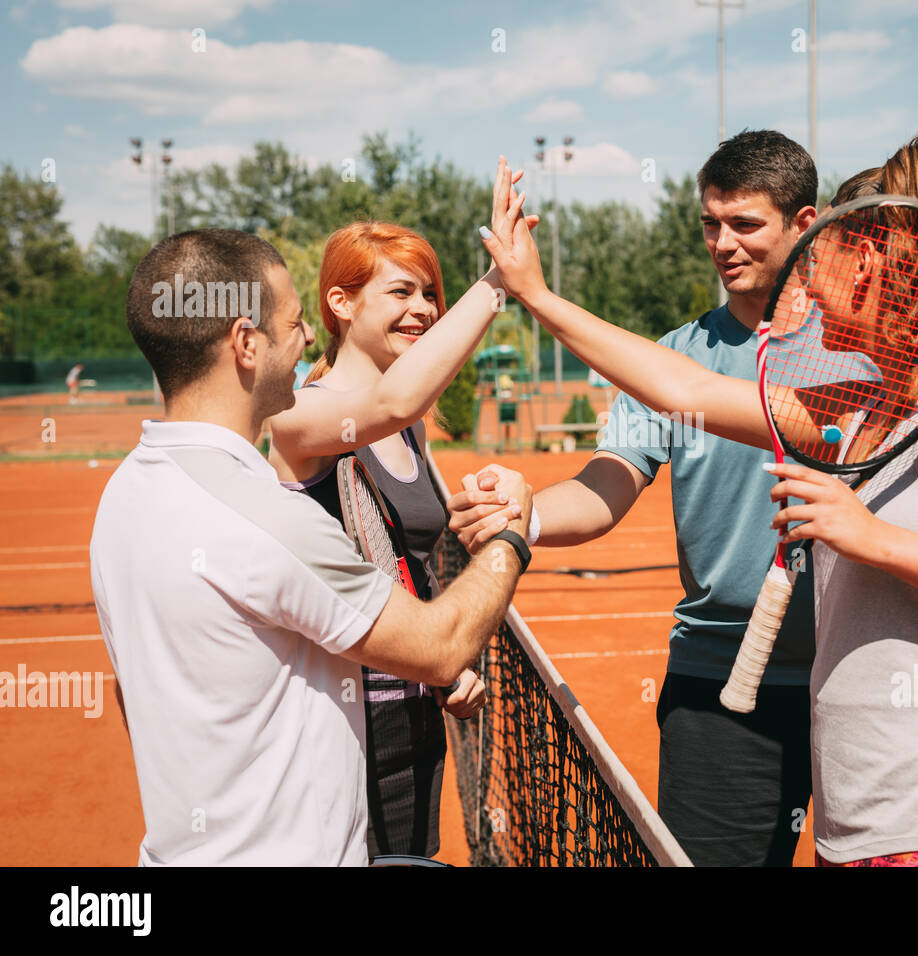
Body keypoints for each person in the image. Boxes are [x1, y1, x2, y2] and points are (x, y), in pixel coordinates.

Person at [476, 134, 918, 866]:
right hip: (865, 823)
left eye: (820, 252)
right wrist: (536, 297)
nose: (802, 273)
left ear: (867, 262)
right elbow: (685, 389)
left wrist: (870, 536)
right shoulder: (864, 407)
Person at [89, 226, 533, 866]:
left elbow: (133, 692)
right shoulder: (269, 519)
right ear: (245, 343)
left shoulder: (123, 496)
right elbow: (440, 647)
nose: (306, 338)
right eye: (295, 323)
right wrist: (513, 536)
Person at [450, 130, 820, 866]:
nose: (723, 243)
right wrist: (526, 514)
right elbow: (604, 489)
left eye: (745, 224)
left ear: (802, 225)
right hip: (719, 687)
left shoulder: (865, 347)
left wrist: (540, 297)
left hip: (853, 679)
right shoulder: (672, 357)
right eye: (710, 224)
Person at [266, 160, 538, 861]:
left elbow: (417, 557)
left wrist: (448, 661)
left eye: (430, 293)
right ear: (342, 302)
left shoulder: (413, 429)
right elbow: (392, 402)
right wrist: (499, 281)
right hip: (337, 719)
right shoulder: (300, 416)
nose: (422, 307)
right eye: (400, 291)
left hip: (413, 710)